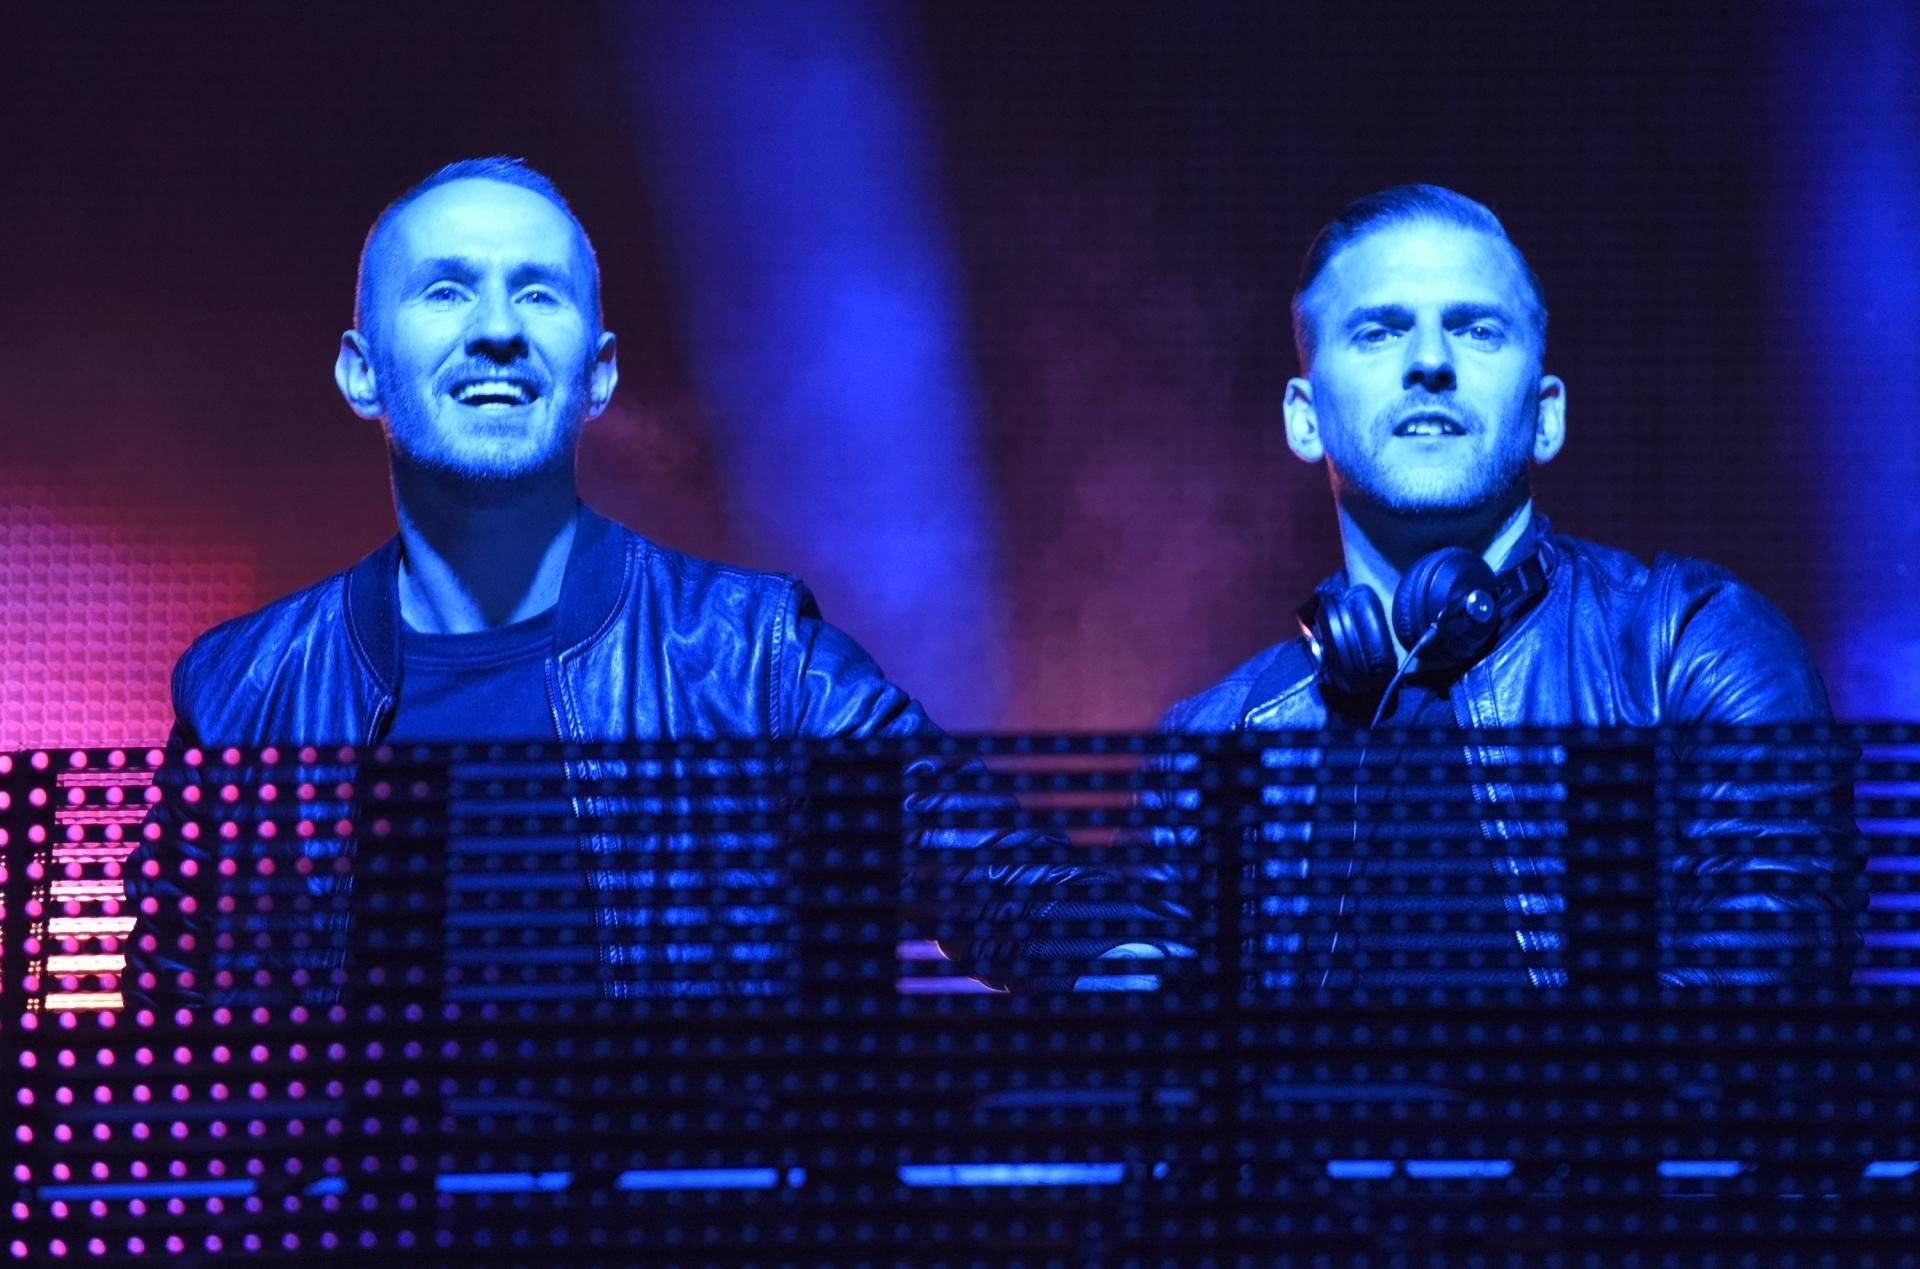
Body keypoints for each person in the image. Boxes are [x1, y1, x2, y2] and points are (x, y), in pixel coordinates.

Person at [119, 157, 997, 1011]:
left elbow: (1006, 881)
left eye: (539, 293)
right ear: (361, 370)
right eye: (446, 291)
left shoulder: (757, 656)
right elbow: (167, 1048)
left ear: (600, 374)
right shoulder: (242, 690)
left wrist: (1082, 1000)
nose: (498, 329)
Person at [1154, 184, 1857, 990]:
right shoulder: (1209, 743)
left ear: (1546, 414)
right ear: (1303, 419)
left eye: (1477, 329)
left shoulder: (1690, 646)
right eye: (1379, 330)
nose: (1429, 361)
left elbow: (1774, 992)